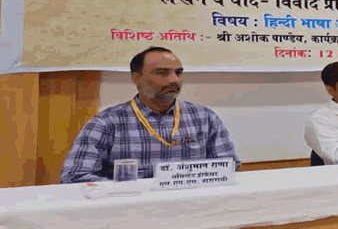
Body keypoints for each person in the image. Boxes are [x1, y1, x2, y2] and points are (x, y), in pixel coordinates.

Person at [61, 47, 239, 183]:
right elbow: (75, 176)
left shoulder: (204, 117)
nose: (174, 80)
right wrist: (135, 189)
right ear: (136, 78)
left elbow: (228, 166)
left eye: (178, 73)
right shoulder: (107, 122)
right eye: (163, 73)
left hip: (193, 205)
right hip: (133, 208)